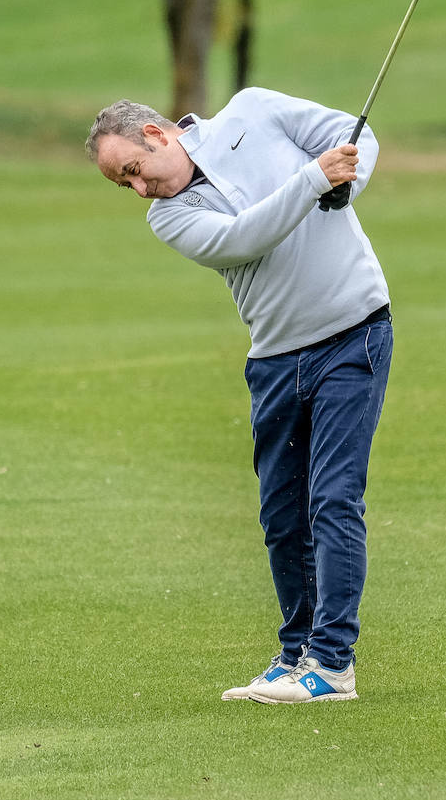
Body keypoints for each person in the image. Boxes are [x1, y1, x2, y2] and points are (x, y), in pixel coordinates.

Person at [86, 86, 393, 705]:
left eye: (134, 172)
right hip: (276, 358)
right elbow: (243, 239)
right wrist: (314, 180)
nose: (139, 191)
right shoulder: (168, 216)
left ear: (155, 135)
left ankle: (333, 665)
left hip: (353, 332)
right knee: (283, 519)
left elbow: (358, 138)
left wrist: (343, 186)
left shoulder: (254, 110)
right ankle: (295, 655)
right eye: (126, 187)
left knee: (332, 500)